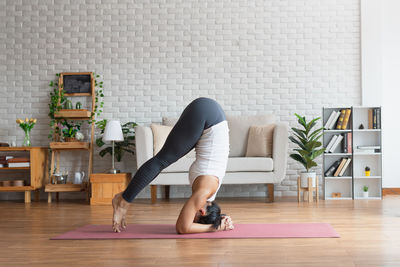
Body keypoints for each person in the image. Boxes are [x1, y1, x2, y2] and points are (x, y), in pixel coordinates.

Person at [112, 97, 234, 234]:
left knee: (162, 159)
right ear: (202, 211)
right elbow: (182, 227)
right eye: (193, 218)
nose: (189, 214)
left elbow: (206, 216)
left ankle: (124, 197)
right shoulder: (203, 194)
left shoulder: (208, 195)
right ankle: (123, 201)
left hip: (211, 114)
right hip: (207, 115)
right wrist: (214, 227)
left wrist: (219, 218)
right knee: (161, 160)